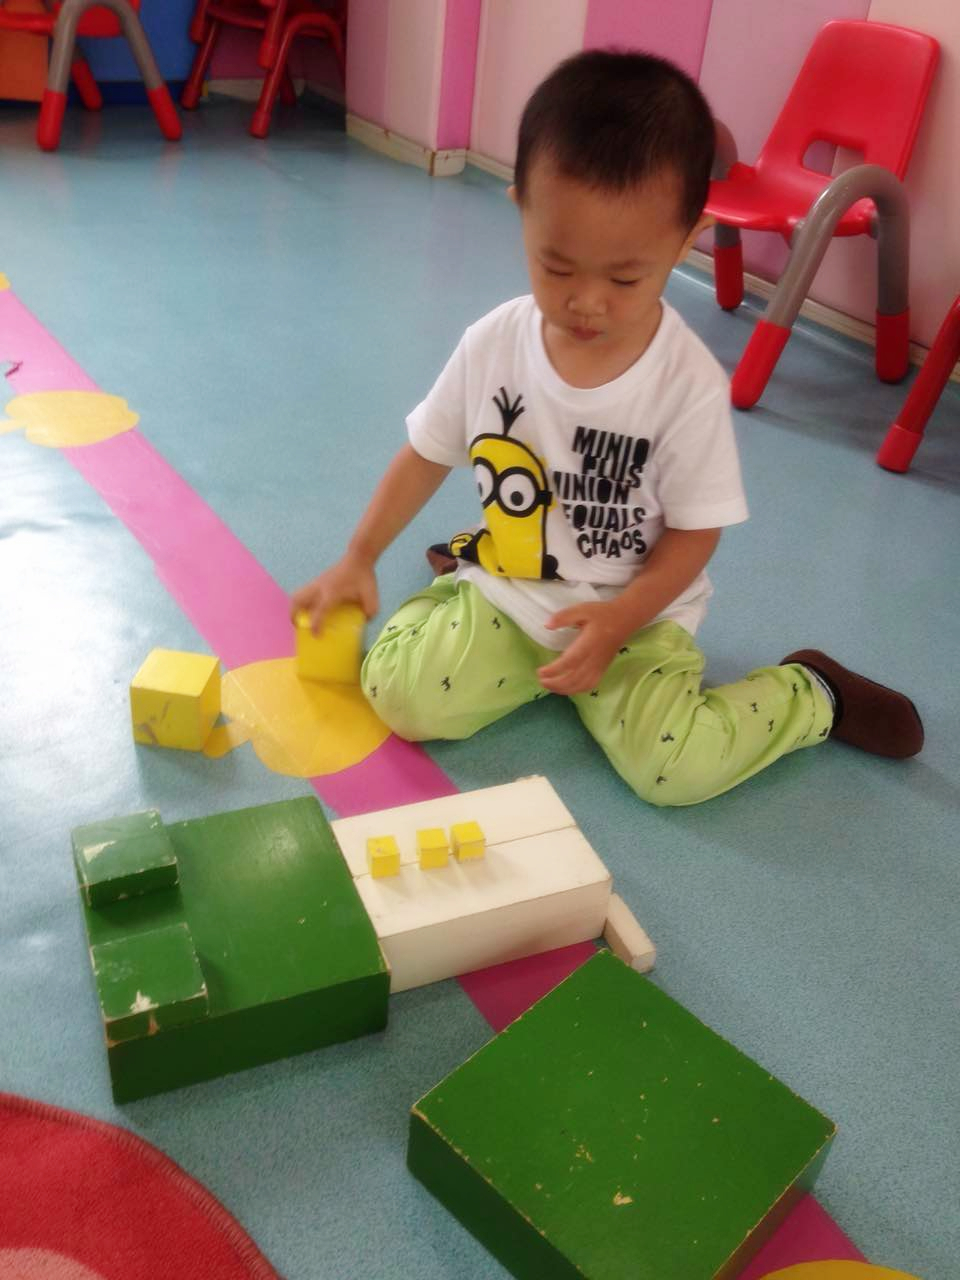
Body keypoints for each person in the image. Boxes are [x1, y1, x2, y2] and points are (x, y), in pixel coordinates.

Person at [292, 49, 923, 805]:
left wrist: (622, 618)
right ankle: (463, 573)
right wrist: (359, 556)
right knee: (401, 700)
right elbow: (427, 453)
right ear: (523, 208)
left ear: (685, 239)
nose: (587, 302)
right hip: (519, 590)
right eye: (557, 267)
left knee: (674, 774)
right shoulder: (493, 343)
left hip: (639, 615)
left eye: (625, 277)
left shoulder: (686, 385)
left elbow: (695, 534)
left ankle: (813, 693)